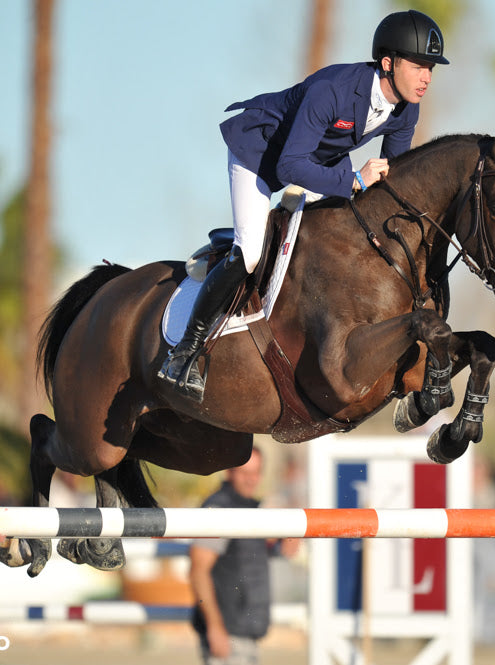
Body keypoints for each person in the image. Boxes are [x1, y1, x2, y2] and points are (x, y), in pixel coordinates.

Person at [159, 9, 450, 401]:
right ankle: (184, 353)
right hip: (260, 156)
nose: (426, 77)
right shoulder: (333, 90)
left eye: (430, 68)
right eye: (418, 65)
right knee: (249, 254)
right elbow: (289, 165)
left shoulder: (405, 108)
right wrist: (352, 181)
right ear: (387, 62)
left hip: (318, 163)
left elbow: (391, 180)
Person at [189, 446, 298, 664]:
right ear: (229, 472)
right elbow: (198, 571)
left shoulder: (251, 509)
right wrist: (215, 628)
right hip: (228, 637)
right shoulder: (219, 509)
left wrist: (286, 537)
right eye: (244, 473)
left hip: (243, 634)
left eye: (256, 473)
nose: (251, 480)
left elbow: (248, 556)